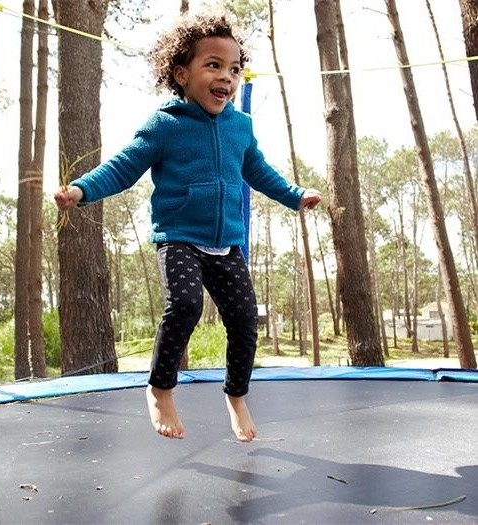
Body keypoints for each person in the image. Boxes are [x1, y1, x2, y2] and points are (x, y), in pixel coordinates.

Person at [54, 13, 321, 442]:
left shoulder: (241, 127)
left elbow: (259, 171)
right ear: (182, 74)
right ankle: (160, 388)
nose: (226, 77)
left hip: (226, 242)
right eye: (213, 65)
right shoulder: (166, 124)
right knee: (185, 304)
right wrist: (82, 190)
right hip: (178, 237)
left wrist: (294, 194)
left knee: (244, 321)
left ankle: (236, 396)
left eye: (234, 69)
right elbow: (124, 167)